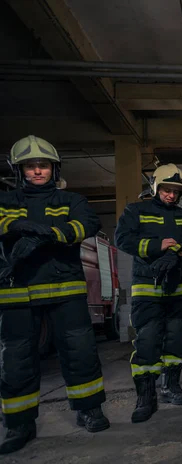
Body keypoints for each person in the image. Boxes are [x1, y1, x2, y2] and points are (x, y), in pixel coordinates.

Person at [0, 135, 108, 454]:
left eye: (43, 165)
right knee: (16, 361)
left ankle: (88, 409)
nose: (37, 171)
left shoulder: (71, 200)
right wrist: (19, 226)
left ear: (53, 168)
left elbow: (87, 222)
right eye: (30, 166)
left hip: (66, 292)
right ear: (20, 171)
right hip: (17, 295)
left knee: (80, 353)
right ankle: (20, 425)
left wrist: (50, 234)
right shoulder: (5, 201)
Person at [115, 163, 182, 423]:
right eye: (167, 190)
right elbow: (122, 239)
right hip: (147, 288)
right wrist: (156, 246)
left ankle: (171, 387)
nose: (171, 196)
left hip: (177, 289)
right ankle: (146, 396)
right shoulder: (136, 210)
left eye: (176, 192)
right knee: (147, 341)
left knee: (175, 339)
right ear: (156, 187)